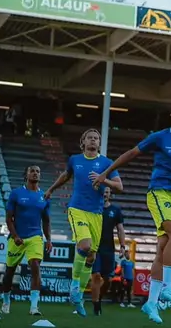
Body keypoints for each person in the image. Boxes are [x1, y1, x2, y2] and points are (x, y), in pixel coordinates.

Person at [92, 101, 171, 325]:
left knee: (164, 248)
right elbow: (131, 153)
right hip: (159, 193)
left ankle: (151, 303)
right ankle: (167, 286)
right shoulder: (160, 137)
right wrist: (106, 172)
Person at [45, 128, 122, 317]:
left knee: (91, 257)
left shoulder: (106, 163)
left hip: (96, 214)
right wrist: (51, 189)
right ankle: (74, 286)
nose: (94, 140)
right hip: (77, 209)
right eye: (90, 138)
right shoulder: (75, 160)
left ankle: (78, 295)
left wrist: (104, 180)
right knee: (85, 246)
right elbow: (65, 175)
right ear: (84, 141)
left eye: (96, 138)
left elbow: (119, 186)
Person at [0, 164, 52, 317]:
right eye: (32, 171)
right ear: (26, 174)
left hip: (35, 236)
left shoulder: (44, 197)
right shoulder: (16, 193)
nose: (36, 173)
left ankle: (34, 307)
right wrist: (15, 236)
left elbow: (46, 221)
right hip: (17, 237)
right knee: (9, 271)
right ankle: (6, 301)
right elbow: (9, 219)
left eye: (38, 171)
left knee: (35, 265)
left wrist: (49, 239)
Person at [90, 187, 129, 315]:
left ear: (110, 194)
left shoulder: (115, 210)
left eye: (107, 192)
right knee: (95, 275)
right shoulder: (92, 208)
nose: (105, 194)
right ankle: (95, 305)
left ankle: (99, 299)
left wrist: (123, 246)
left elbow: (120, 229)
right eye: (103, 192)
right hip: (95, 248)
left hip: (109, 249)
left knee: (108, 280)